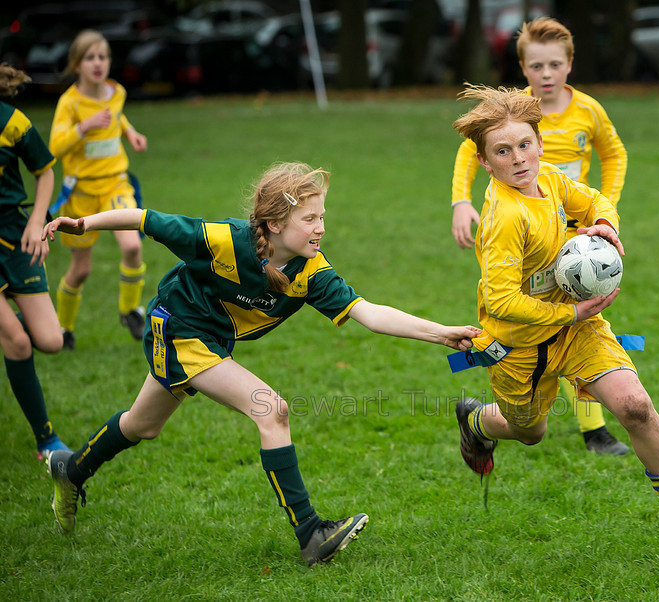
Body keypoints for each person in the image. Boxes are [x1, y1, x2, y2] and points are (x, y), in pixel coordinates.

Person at [41, 162, 481, 567]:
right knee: (271, 409)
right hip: (176, 328)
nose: (321, 228)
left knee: (142, 425)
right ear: (274, 224)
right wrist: (82, 224)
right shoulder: (223, 240)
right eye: (310, 219)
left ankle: (70, 469)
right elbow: (145, 219)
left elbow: (370, 313)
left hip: (212, 340)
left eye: (322, 216)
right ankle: (311, 534)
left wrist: (442, 333)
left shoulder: (310, 272)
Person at [450, 85, 659, 547]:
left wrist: (605, 224)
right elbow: (501, 301)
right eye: (502, 151)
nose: (518, 158)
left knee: (635, 406)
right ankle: (476, 422)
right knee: (529, 431)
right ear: (484, 162)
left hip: (577, 330)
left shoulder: (552, 181)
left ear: (539, 143)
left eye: (524, 145)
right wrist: (571, 308)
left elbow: (594, 199)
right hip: (518, 345)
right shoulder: (504, 218)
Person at [449, 17, 629, 455]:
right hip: (529, 233)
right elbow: (469, 152)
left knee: (580, 325)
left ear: (569, 64)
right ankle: (512, 419)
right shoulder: (513, 114)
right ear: (523, 68)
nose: (545, 75)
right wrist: (461, 200)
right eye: (536, 66)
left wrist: (607, 208)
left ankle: (595, 430)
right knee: (551, 320)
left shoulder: (588, 109)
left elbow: (615, 153)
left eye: (554, 65)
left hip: (573, 228)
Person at [48, 29, 148, 350]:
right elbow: (55, 146)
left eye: (102, 57)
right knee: (82, 269)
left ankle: (130, 310)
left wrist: (130, 132)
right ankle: (63, 330)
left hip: (115, 184)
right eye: (89, 57)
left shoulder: (116, 92)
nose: (97, 63)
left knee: (132, 246)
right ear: (76, 64)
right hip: (81, 193)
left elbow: (116, 117)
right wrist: (84, 127)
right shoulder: (70, 103)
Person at [0, 64, 71, 460]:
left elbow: (45, 173)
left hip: (14, 235)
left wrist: (35, 221)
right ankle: (46, 440)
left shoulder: (13, 122)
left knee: (50, 340)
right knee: (17, 341)